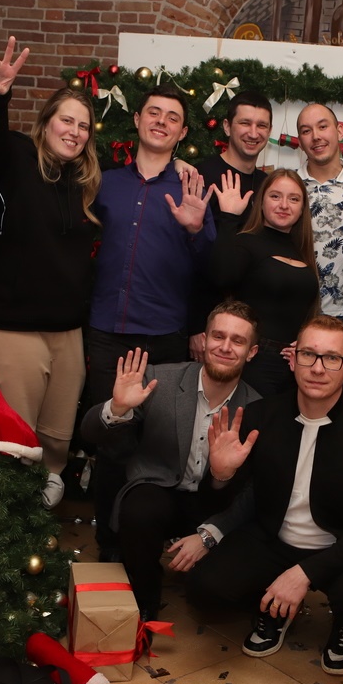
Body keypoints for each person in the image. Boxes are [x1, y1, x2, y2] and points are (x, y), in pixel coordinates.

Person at [184, 316, 343, 676]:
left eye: (332, 358)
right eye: (308, 354)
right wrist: (220, 475)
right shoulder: (260, 415)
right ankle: (274, 607)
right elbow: (216, 506)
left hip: (339, 548)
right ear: (293, 359)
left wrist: (303, 573)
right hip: (272, 539)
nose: (318, 368)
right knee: (206, 588)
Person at [0, 36, 100, 508]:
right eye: (66, 120)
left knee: (54, 445)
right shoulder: (15, 158)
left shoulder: (84, 183)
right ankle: (2, 536)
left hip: (66, 334)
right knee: (9, 446)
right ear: (45, 124)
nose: (75, 132)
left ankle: (35, 534)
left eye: (84, 126)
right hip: (12, 331)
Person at [86, 83, 216, 560]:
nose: (161, 121)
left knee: (158, 446)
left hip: (165, 339)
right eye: (154, 113)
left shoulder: (191, 189)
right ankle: (109, 545)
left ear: (182, 133)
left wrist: (196, 229)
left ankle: (147, 540)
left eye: (172, 117)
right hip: (107, 333)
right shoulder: (104, 183)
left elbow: (212, 267)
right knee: (110, 440)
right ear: (137, 120)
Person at [79, 301, 261, 620]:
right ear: (204, 340)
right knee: (140, 508)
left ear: (252, 352)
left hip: (214, 502)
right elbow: (89, 432)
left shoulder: (257, 409)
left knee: (220, 593)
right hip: (159, 491)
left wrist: (220, 486)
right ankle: (145, 601)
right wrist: (117, 408)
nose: (225, 347)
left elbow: (254, 491)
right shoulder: (158, 381)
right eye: (218, 336)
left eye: (238, 341)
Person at [209, 169, 320, 396]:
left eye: (294, 199)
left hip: (295, 364)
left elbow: (304, 310)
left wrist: (305, 345)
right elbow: (221, 277)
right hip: (255, 358)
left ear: (302, 209)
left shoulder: (303, 251)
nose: (284, 205)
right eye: (275, 196)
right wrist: (229, 217)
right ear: (261, 202)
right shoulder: (246, 242)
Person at [188, 91, 275, 361]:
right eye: (245, 123)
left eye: (261, 125)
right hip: (207, 325)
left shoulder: (267, 185)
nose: (253, 133)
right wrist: (195, 326)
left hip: (251, 327)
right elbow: (187, 256)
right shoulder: (201, 176)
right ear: (227, 127)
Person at [296, 103, 343, 317]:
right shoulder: (289, 187)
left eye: (322, 127)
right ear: (300, 141)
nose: (315, 136)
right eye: (306, 131)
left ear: (339, 131)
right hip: (298, 312)